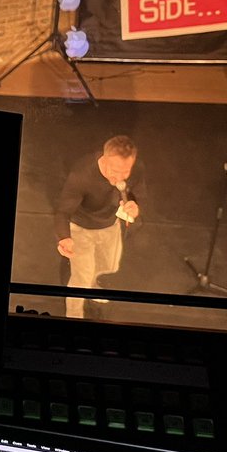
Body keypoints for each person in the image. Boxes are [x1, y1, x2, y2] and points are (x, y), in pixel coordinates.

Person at [54, 135, 144, 319]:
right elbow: (63, 211)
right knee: (81, 278)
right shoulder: (81, 176)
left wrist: (134, 205)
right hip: (81, 229)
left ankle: (92, 285)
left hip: (110, 225)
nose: (119, 178)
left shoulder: (136, 169)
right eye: (115, 171)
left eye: (125, 171)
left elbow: (135, 193)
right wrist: (65, 237)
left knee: (108, 265)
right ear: (104, 158)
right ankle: (73, 316)